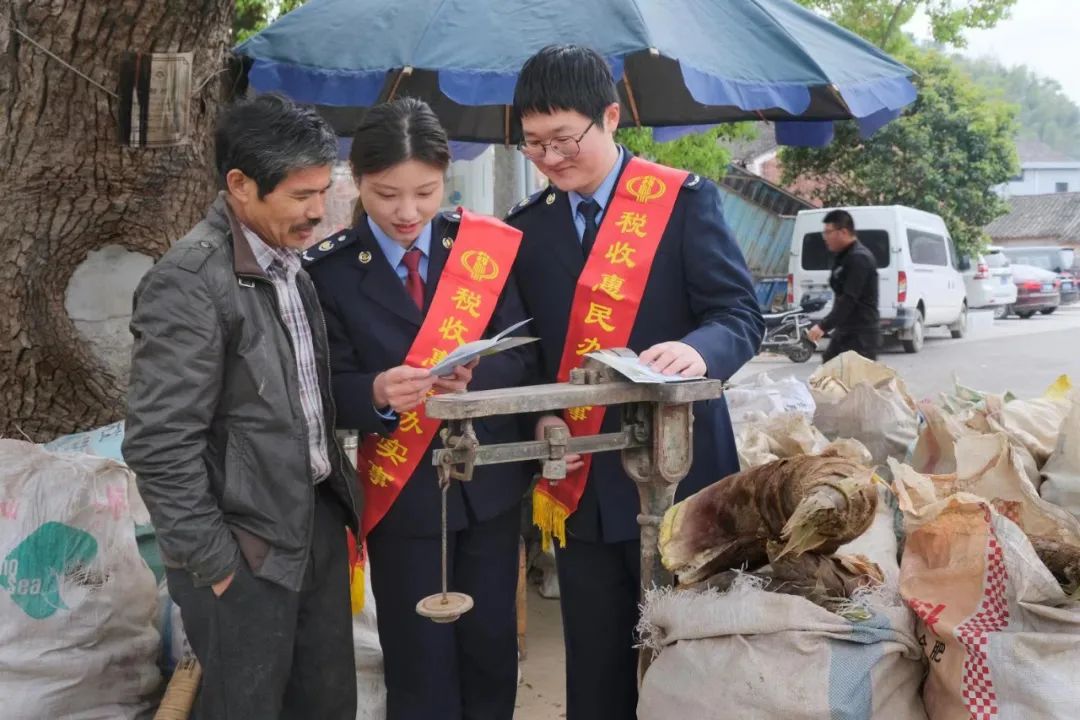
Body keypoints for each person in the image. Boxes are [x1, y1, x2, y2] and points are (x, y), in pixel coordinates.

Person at [504, 45, 765, 719]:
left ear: (611, 116)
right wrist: (538, 417)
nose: (552, 159)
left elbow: (739, 315)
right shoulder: (526, 230)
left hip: (685, 476)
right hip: (585, 482)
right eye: (534, 145)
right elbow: (526, 353)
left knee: (693, 658)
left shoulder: (680, 201)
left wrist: (697, 347)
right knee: (597, 667)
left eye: (565, 140)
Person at [123, 94, 361, 719]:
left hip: (310, 524)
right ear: (240, 185)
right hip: (243, 549)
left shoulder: (288, 263)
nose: (318, 210)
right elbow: (158, 442)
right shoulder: (189, 281)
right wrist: (217, 565)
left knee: (326, 704)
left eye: (322, 190)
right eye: (301, 195)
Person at [303, 97, 535, 720]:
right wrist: (376, 392)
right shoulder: (328, 271)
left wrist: (478, 376)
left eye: (425, 193)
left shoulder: (480, 250)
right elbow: (323, 387)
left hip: (488, 482)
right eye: (386, 195)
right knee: (418, 656)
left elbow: (524, 354)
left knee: (490, 647)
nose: (407, 213)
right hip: (399, 494)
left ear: (445, 177)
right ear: (357, 178)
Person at [806, 209, 880, 361]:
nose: (825, 238)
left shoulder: (859, 258)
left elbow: (849, 299)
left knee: (853, 382)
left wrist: (823, 326)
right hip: (845, 331)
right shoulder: (844, 256)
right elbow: (840, 298)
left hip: (861, 336)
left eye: (828, 232)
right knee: (828, 373)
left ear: (843, 232)